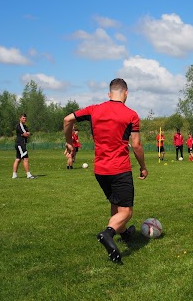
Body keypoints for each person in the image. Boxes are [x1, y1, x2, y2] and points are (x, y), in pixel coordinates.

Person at [63, 78, 148, 263]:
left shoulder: (94, 110)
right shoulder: (131, 115)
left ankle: (125, 234)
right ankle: (107, 234)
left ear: (109, 94)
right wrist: (143, 167)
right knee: (126, 212)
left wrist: (69, 142)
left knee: (115, 204)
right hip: (120, 168)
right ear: (126, 93)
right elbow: (137, 145)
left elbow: (67, 119)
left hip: (100, 170)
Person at [12, 113, 37, 179]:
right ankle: (28, 175)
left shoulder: (25, 126)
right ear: (20, 118)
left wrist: (27, 134)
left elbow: (28, 133)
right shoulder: (19, 126)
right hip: (20, 144)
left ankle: (14, 175)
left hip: (20, 144)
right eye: (23, 118)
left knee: (18, 159)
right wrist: (26, 134)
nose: (24, 119)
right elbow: (26, 134)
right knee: (25, 159)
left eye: (25, 118)